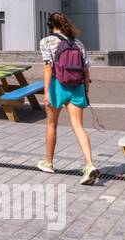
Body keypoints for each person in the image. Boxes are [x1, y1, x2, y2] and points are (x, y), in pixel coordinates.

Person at [37, 11, 98, 185]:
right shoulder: (77, 43)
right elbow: (86, 69)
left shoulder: (46, 41)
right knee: (78, 126)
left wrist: (47, 92)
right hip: (77, 87)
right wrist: (85, 89)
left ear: (50, 26)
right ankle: (89, 164)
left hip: (58, 86)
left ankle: (48, 163)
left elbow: (48, 67)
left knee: (51, 124)